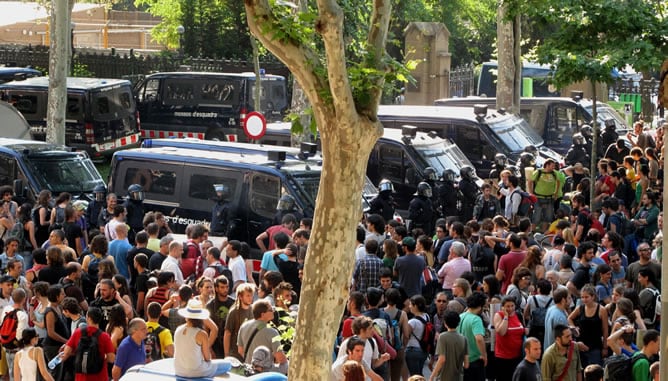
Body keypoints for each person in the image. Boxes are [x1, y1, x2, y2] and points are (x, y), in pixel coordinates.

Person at [173, 299, 230, 378]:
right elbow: (207, 358)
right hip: (196, 371)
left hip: (179, 371)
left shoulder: (178, 329)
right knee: (227, 364)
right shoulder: (202, 334)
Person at [60, 307, 116, 381]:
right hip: (100, 377)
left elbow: (66, 352)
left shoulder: (78, 332)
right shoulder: (104, 336)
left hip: (81, 377)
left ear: (88, 318)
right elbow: (111, 359)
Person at [237, 300, 287, 369]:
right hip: (264, 373)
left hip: (248, 370)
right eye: (270, 309)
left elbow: (240, 351)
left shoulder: (244, 326)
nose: (273, 311)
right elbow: (281, 359)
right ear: (263, 314)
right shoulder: (272, 332)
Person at [457, 292, 488, 381]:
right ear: (479, 306)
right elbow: (479, 338)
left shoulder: (460, 316)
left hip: (461, 360)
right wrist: (484, 355)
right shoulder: (476, 319)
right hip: (474, 360)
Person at [430, 310, 468, 381]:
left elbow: (441, 359)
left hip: (444, 377)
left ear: (445, 323)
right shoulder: (464, 338)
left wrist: (432, 376)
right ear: (458, 323)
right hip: (458, 377)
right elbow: (466, 364)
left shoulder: (442, 337)